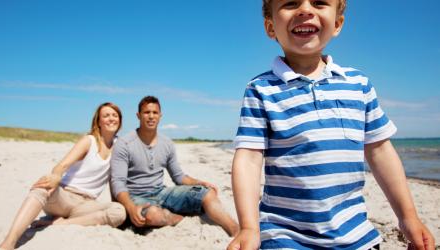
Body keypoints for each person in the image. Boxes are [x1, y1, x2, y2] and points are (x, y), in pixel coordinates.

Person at [227, 0, 435, 249]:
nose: (305, 10)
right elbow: (249, 158)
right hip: (285, 234)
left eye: (319, 3)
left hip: (356, 235)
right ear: (271, 27)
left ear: (337, 24)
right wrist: (249, 227)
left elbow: (380, 152)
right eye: (291, 3)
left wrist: (408, 217)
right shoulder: (261, 89)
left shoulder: (358, 84)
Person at [0, 102, 126, 250]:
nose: (111, 118)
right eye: (106, 115)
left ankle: (60, 223)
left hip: (86, 205)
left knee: (119, 212)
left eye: (114, 115)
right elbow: (62, 166)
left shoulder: (120, 147)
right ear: (98, 121)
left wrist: (116, 202)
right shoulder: (89, 141)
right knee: (43, 188)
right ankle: (9, 243)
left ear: (120, 120)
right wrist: (55, 177)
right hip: (64, 197)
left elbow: (114, 180)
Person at [110, 96, 239, 236]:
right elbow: (118, 183)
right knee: (152, 214)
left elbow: (178, 177)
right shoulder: (125, 143)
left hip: (162, 193)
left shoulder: (167, 143)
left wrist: (199, 182)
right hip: (136, 197)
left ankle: (235, 230)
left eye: (155, 112)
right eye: (146, 112)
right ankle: (175, 218)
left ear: (160, 116)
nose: (151, 116)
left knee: (207, 193)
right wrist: (130, 207)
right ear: (138, 115)